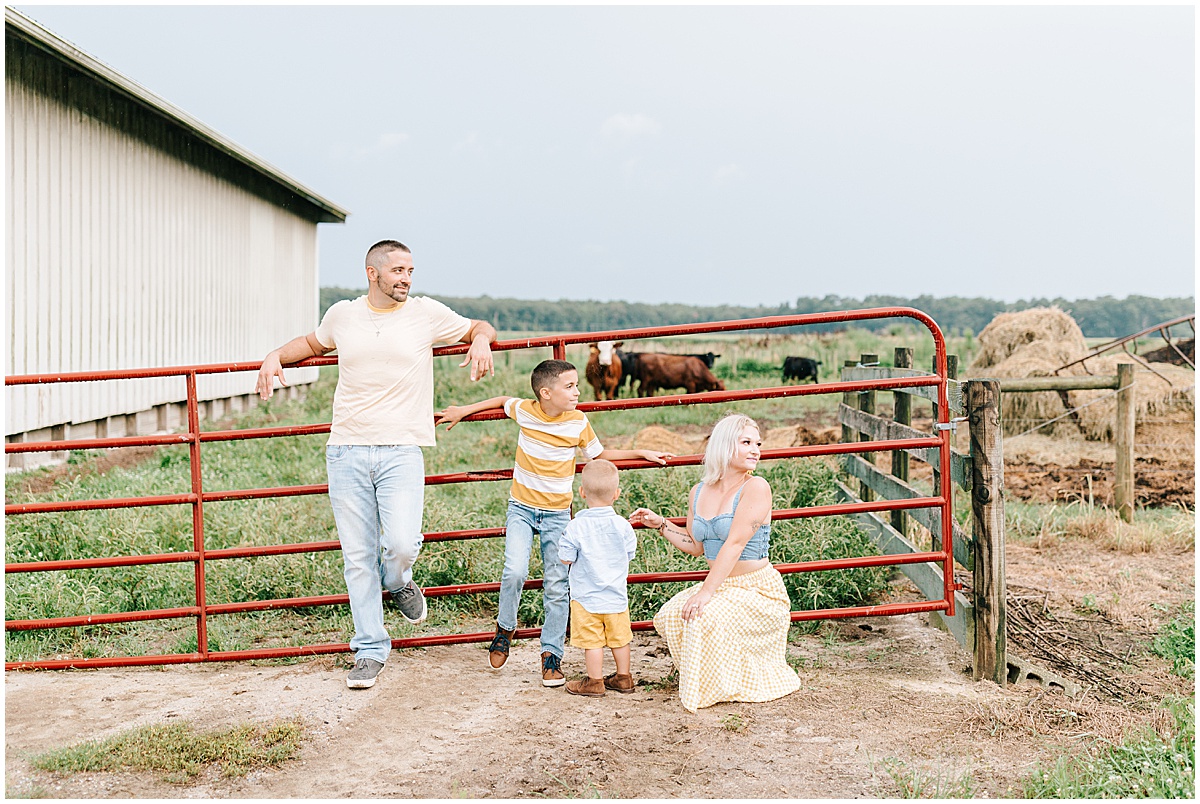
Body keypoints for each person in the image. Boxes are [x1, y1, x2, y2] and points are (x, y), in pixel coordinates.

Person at [255, 239, 497, 690]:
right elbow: (310, 343)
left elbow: (478, 325)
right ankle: (369, 648)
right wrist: (273, 356)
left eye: (410, 270)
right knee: (357, 557)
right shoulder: (343, 315)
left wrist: (481, 340)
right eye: (398, 270)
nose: (406, 278)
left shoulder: (425, 313)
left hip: (402, 449)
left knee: (401, 543)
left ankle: (399, 579)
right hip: (346, 450)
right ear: (373, 273)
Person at [435, 360, 671, 687]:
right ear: (546, 393)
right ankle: (505, 629)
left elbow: (598, 455)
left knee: (558, 583)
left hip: (558, 514)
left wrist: (641, 451)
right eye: (570, 386)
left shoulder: (578, 422)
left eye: (576, 385)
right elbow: (500, 400)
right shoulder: (526, 411)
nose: (577, 392)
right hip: (521, 508)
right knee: (514, 570)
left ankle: (551, 654)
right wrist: (464, 410)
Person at [630, 413, 801, 712]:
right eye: (746, 442)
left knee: (701, 614)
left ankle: (723, 684)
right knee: (672, 614)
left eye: (757, 443)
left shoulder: (756, 487)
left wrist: (705, 592)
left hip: (757, 590)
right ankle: (716, 678)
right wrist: (661, 524)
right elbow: (696, 546)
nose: (755, 450)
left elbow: (734, 544)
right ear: (723, 445)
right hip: (723, 586)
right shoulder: (699, 491)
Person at [559, 459, 638, 697]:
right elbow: (630, 553)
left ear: (581, 493)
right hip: (615, 596)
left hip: (586, 597)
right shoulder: (623, 526)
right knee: (620, 638)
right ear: (617, 494)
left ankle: (594, 682)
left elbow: (566, 558)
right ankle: (624, 678)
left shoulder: (575, 526)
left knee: (592, 642)